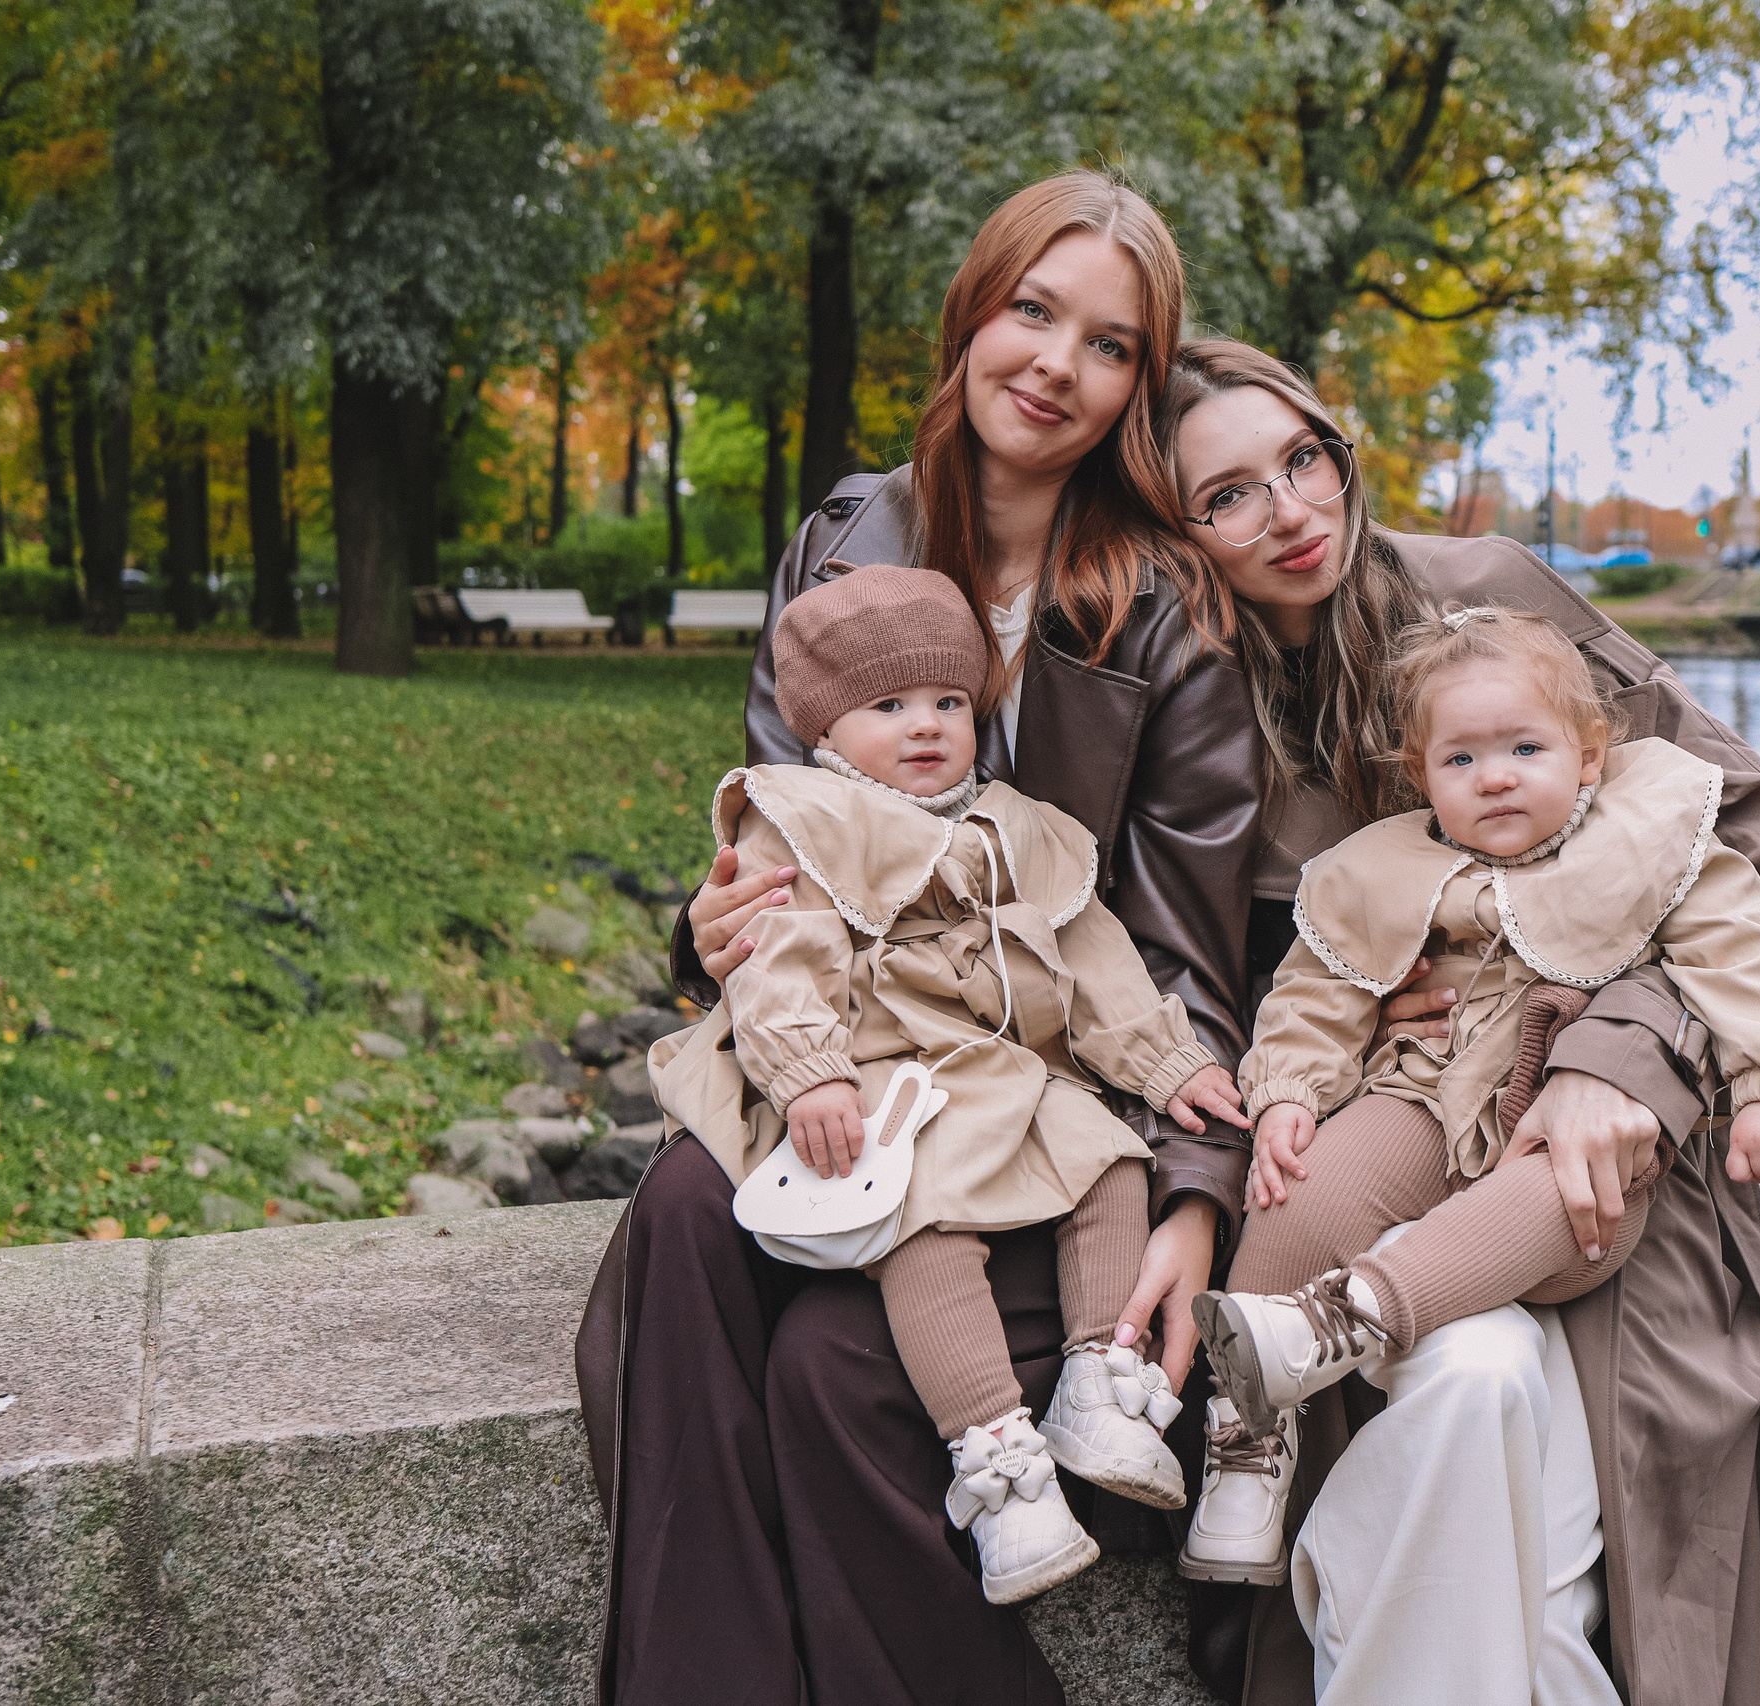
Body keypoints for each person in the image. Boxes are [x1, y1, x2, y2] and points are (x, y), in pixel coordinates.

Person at [576, 169, 1272, 1706]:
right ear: (972, 313)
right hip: (855, 1065)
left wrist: (1196, 1198)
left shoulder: (1162, 609)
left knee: (833, 1371)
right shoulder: (843, 542)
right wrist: (714, 934)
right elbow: (776, 845)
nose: (1055, 364)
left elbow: (1185, 946)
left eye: (1108, 346)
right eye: (1033, 310)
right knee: (686, 1218)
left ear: (1137, 391)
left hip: (1051, 1098)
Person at [1160, 338, 1760, 1706]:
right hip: (1374, 1133)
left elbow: (1730, 842)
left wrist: (1615, 1053)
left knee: (1533, 1440)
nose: (1290, 510)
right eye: (1227, 495)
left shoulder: (1486, 599)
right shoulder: (1168, 686)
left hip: (1585, 1141)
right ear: (1172, 529)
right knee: (1449, 1394)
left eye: (1303, 459)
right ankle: (1262, 1425)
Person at [653, 564, 1249, 1605]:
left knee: (1107, 1160)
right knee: (919, 1227)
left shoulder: (1018, 824)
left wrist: (1168, 1061)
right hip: (881, 1078)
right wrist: (806, 1074)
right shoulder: (803, 815)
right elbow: (777, 952)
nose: (925, 725)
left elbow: (1094, 959)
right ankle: (995, 1459)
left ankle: (1092, 1378)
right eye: (888, 706)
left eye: (948, 702)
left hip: (1008, 1072)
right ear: (826, 726)